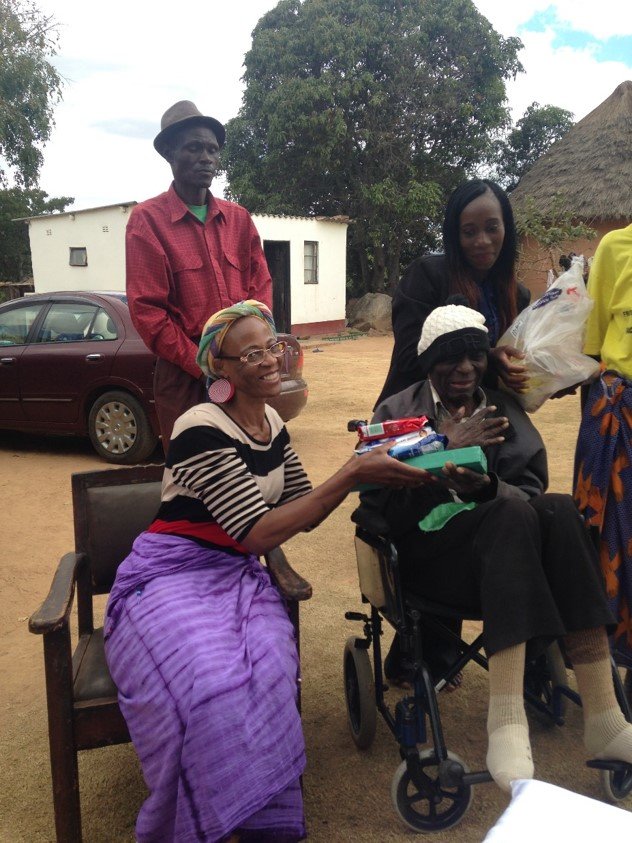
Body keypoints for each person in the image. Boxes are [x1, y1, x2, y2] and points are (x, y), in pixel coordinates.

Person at [104, 301, 427, 843]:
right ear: (221, 369)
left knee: (271, 666)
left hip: (233, 575)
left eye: (272, 346)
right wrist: (351, 474)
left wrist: (379, 460)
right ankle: (207, 817)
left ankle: (254, 815)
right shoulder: (198, 427)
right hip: (170, 574)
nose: (271, 360)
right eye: (250, 354)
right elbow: (255, 533)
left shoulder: (273, 422)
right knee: (207, 680)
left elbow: (302, 508)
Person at [360, 302, 632, 793]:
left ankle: (605, 718)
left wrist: (487, 488)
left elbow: (528, 491)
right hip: (431, 566)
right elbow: (378, 510)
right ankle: (506, 721)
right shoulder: (397, 412)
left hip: (511, 567)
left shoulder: (501, 408)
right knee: (507, 515)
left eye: (475, 357)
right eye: (451, 358)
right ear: (429, 362)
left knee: (559, 510)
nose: (465, 368)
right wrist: (437, 448)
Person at [126, 100, 273, 451]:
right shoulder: (147, 221)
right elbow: (148, 313)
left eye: (212, 149)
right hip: (185, 379)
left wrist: (250, 352)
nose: (206, 158)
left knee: (251, 460)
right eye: (194, 148)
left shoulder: (239, 219)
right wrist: (205, 364)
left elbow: (261, 288)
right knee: (194, 470)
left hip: (243, 371)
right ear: (169, 153)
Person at [376, 178, 530, 407]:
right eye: (469, 232)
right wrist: (487, 356)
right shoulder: (427, 276)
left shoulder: (517, 296)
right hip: (420, 413)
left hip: (487, 410)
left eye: (492, 228)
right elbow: (409, 358)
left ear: (506, 229)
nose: (482, 241)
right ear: (454, 235)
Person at [574, 222, 632, 683]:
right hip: (620, 414)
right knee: (611, 536)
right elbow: (592, 352)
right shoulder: (616, 246)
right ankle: (612, 656)